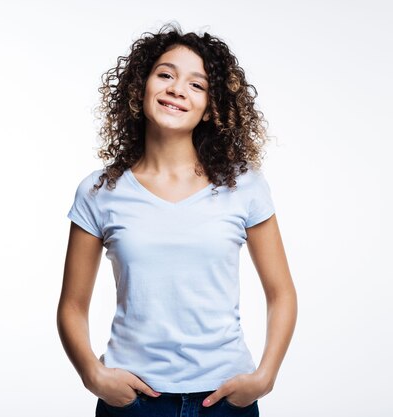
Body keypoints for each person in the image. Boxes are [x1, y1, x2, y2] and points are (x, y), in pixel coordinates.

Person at [57, 22, 297, 417]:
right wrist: (93, 375)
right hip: (133, 402)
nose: (177, 89)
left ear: (210, 108)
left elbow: (281, 293)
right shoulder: (99, 191)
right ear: (141, 87)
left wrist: (265, 376)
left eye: (197, 85)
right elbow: (72, 305)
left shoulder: (244, 186)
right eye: (165, 74)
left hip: (225, 400)